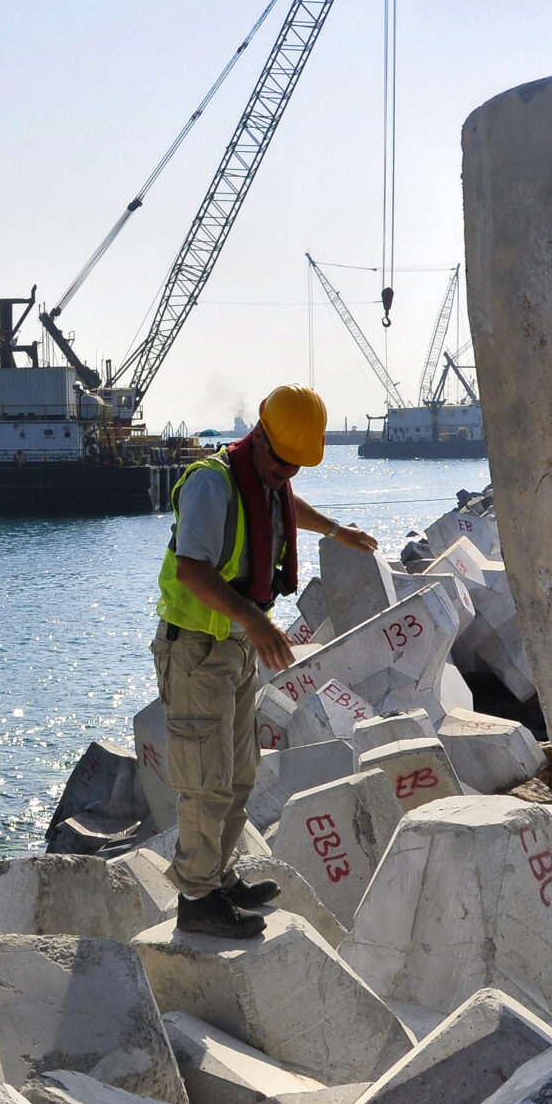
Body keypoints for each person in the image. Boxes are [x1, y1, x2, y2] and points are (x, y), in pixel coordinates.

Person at [154, 384, 378, 939]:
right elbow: (192, 571)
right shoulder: (213, 482)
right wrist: (257, 621)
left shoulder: (267, 480)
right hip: (198, 648)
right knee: (205, 781)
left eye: (296, 465)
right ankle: (197, 899)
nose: (285, 472)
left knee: (239, 775)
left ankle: (218, 877)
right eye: (280, 460)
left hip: (232, 647)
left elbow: (282, 505)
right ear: (260, 435)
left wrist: (334, 530)